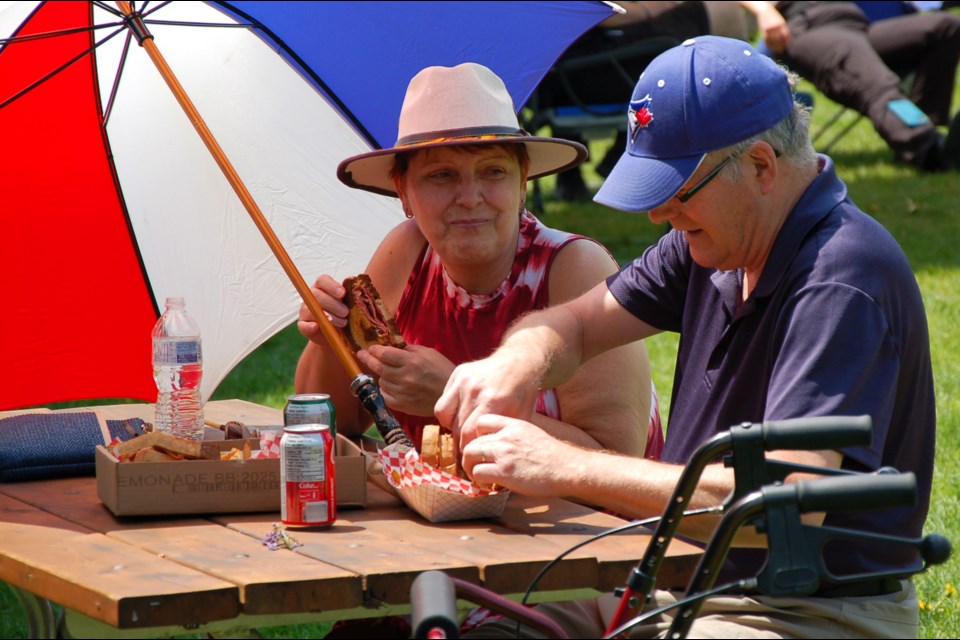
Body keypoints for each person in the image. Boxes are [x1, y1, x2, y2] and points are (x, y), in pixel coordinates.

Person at [438, 36, 935, 638]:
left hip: (805, 610)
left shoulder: (842, 276)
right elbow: (572, 324)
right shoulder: (712, 243)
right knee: (494, 630)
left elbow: (786, 508)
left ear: (760, 166)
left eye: (677, 191)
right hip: (682, 581)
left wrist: (564, 466)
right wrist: (518, 362)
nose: (658, 215)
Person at [295, 62, 663, 464]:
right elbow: (334, 423)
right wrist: (331, 340)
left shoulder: (575, 269)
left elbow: (615, 463)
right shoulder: (406, 252)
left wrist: (453, 396)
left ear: (522, 182)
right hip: (436, 524)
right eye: (441, 176)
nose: (469, 196)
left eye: (492, 171)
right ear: (404, 191)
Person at [745, 1, 960, 172]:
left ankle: (930, 131)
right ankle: (931, 150)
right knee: (878, 84)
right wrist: (764, 10)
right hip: (808, 25)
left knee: (946, 28)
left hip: (855, 21)